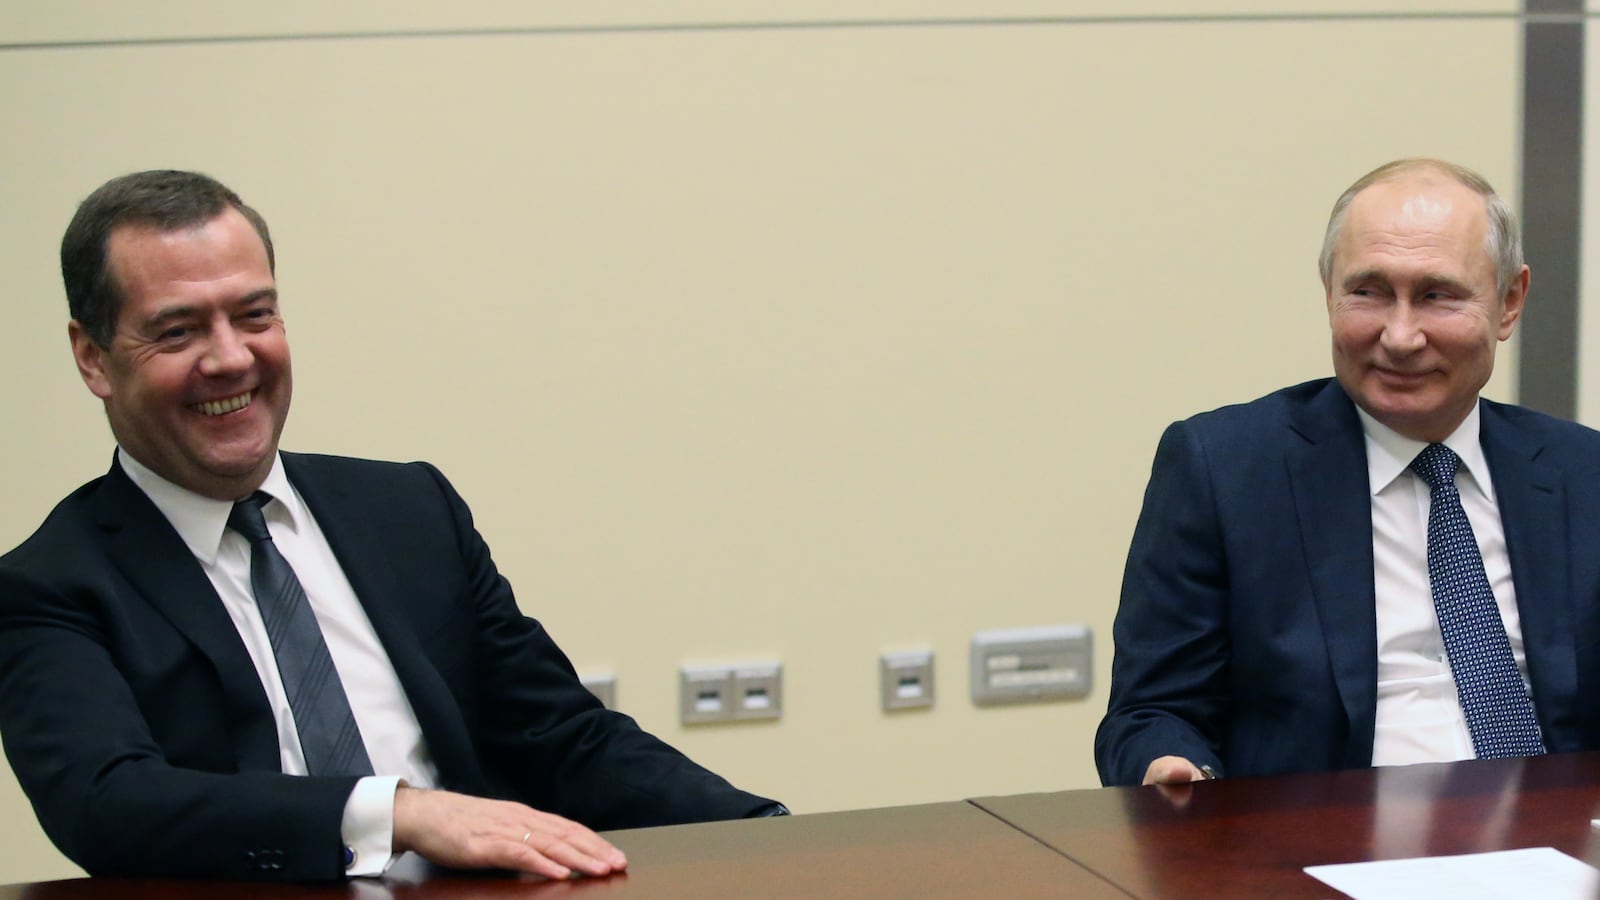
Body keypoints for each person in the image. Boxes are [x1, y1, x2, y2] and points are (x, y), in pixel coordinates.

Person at [0, 170, 784, 882]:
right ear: (93, 358)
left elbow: (561, 735)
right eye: (178, 331)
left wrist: (761, 834)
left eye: (254, 315)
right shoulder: (49, 585)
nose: (231, 358)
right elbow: (111, 805)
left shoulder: (407, 510)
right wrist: (397, 813)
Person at [1095, 158, 1600, 787]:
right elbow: (1151, 713)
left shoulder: (1583, 473)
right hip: (1326, 834)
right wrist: (1172, 768)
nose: (1400, 336)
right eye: (1369, 292)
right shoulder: (1223, 469)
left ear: (1509, 302)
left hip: (1555, 829)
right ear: (1329, 291)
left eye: (1437, 296)